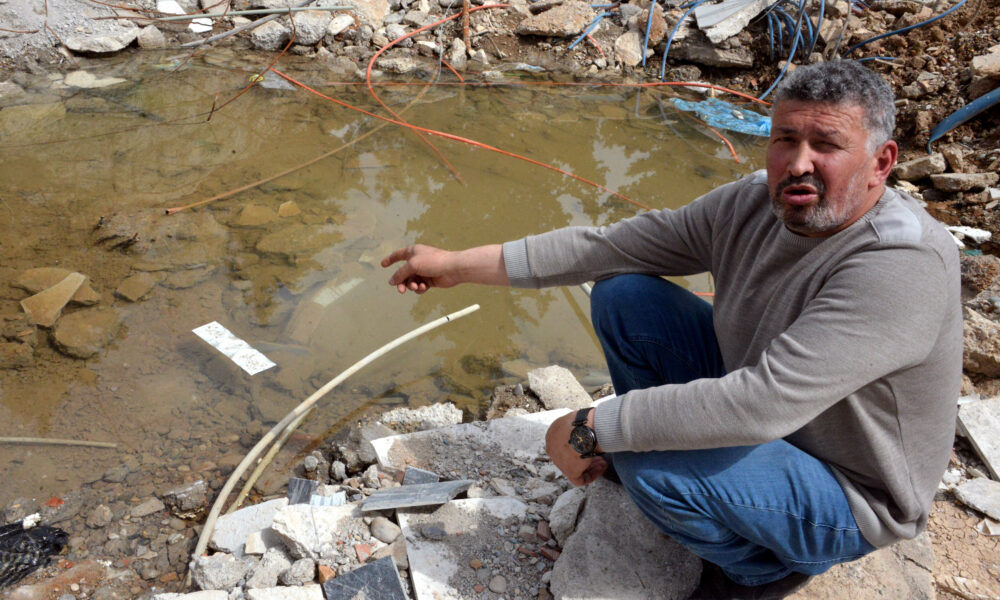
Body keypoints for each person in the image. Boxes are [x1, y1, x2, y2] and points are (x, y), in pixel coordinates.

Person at [381, 61, 962, 600]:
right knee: (624, 294)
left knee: (648, 459)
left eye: (827, 145)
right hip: (775, 416)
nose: (798, 163)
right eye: (785, 139)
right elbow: (608, 248)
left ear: (881, 163)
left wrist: (593, 427)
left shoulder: (900, 264)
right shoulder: (752, 205)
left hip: (847, 487)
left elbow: (762, 404)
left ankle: (758, 570)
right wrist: (456, 265)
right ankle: (681, 484)